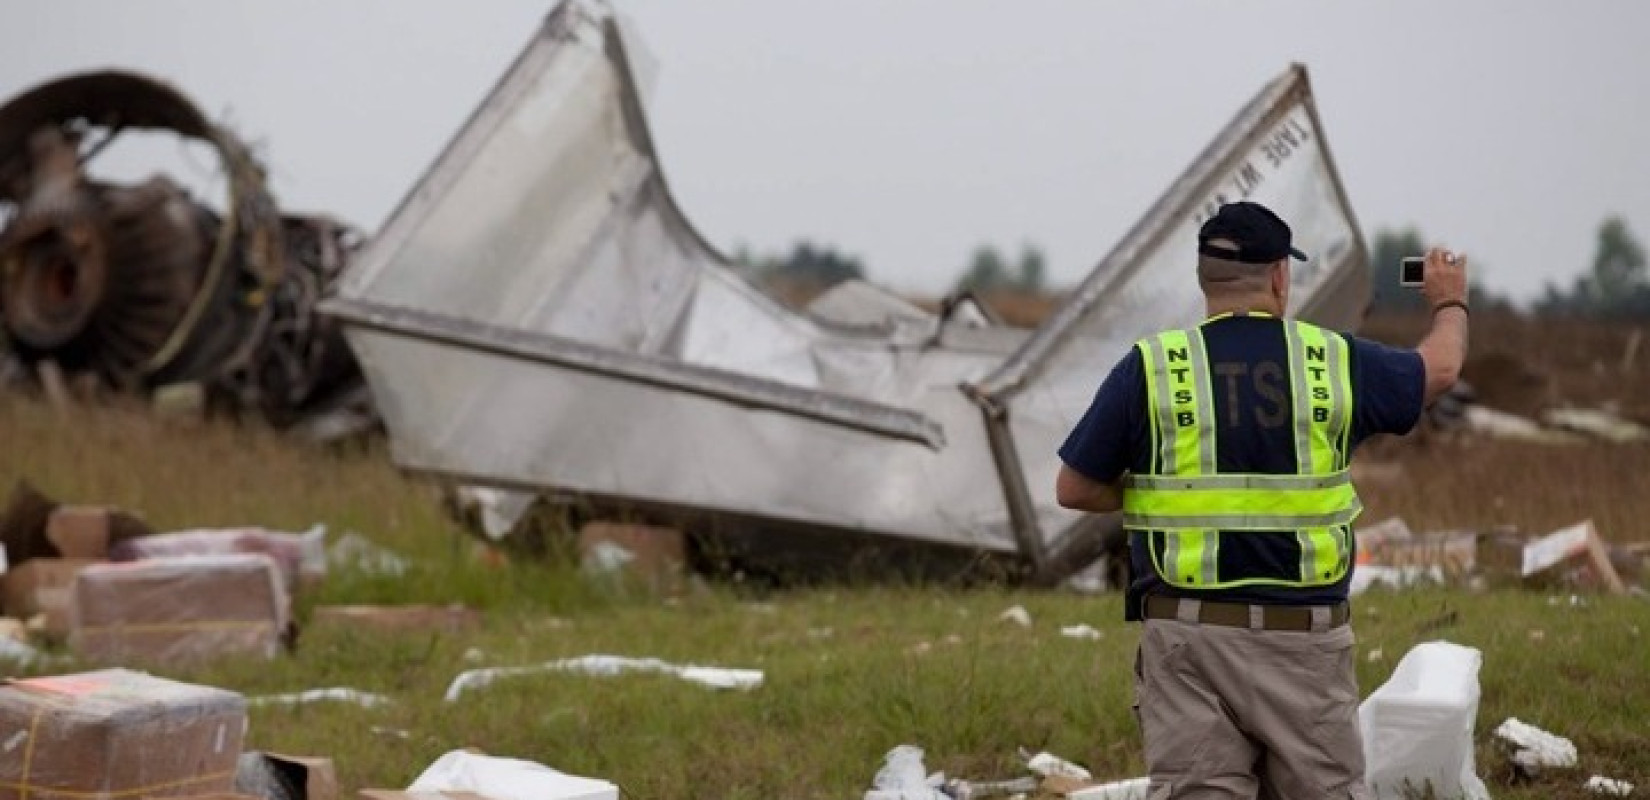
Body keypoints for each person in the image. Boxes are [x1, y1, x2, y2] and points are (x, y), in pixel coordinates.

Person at [1054, 200, 1469, 799]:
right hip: (1304, 644)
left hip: (1187, 641)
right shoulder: (1330, 359)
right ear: (1279, 275)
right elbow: (1442, 370)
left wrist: (1163, 491)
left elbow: (1074, 487)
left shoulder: (1152, 367)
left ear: (1205, 280)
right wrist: (1449, 300)